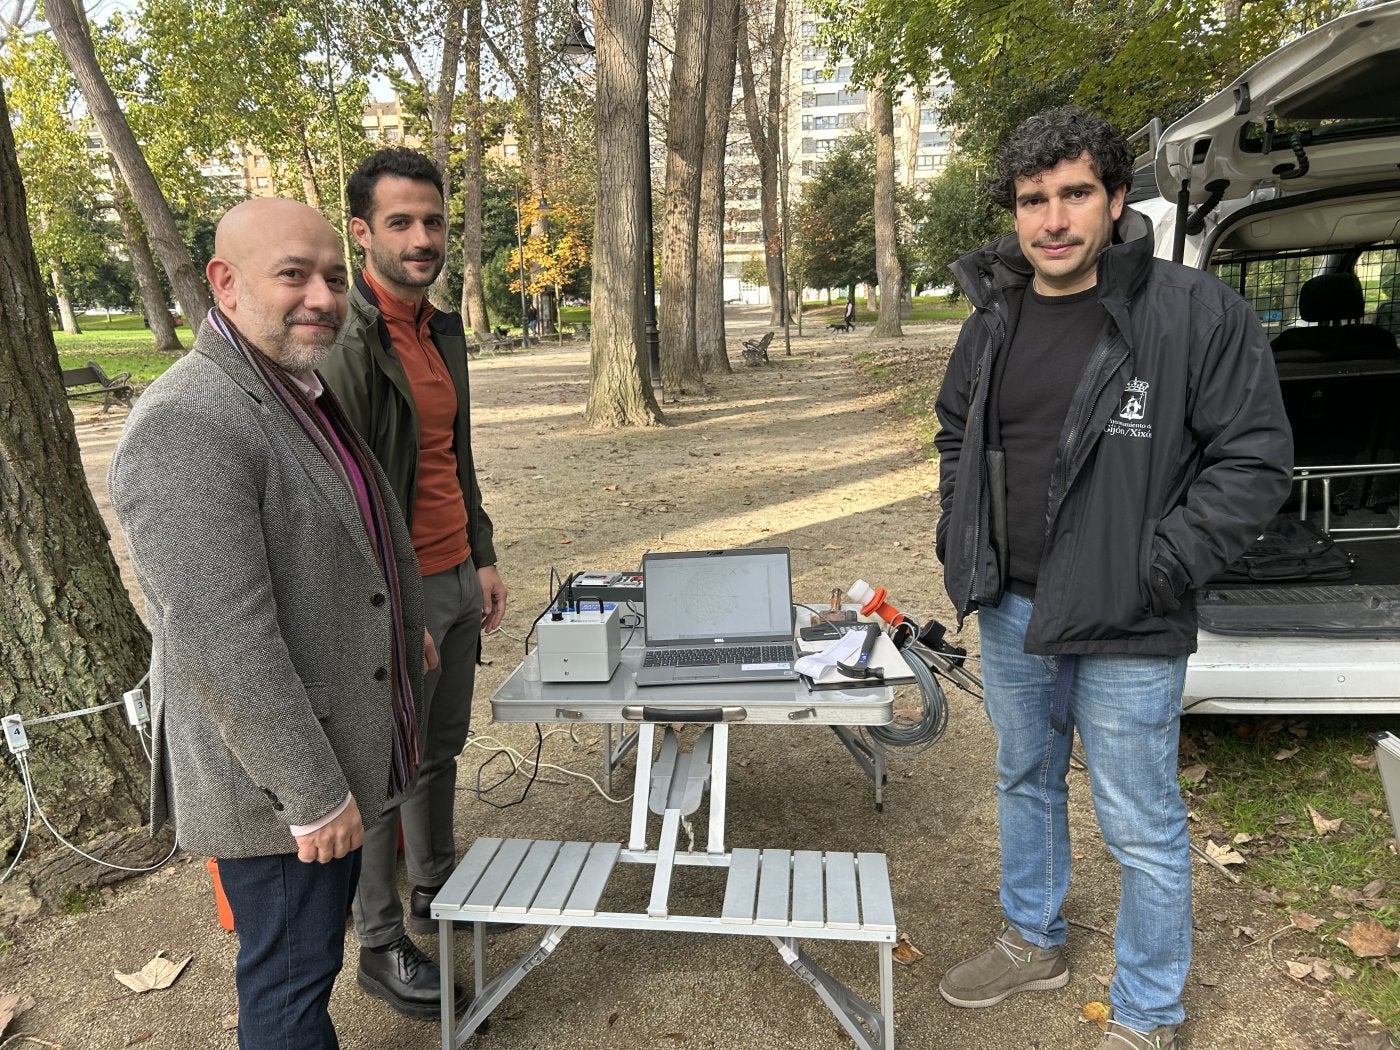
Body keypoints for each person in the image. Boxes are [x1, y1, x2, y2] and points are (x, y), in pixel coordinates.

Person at [932, 107, 1293, 1049]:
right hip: (1012, 606)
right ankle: (1033, 939)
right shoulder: (994, 316)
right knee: (1025, 776)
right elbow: (954, 435)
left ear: (1117, 199)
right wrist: (957, 537)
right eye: (1032, 200)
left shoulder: (1190, 313)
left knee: (1140, 821)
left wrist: (1158, 565)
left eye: (1074, 194)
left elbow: (1251, 461)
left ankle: (1146, 1012)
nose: (1052, 219)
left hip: (1132, 614)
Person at [108, 198, 429, 1049]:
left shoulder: (294, 385)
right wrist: (314, 797)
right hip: (282, 787)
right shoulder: (189, 420)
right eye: (293, 274)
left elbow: (351, 530)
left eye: (331, 275)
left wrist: (406, 629)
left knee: (308, 967)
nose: (321, 295)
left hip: (328, 747)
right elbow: (219, 637)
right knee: (289, 988)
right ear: (226, 281)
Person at [321, 147, 507, 1019]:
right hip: (398, 592)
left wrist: (482, 551)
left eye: (433, 220)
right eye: (401, 222)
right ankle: (381, 941)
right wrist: (395, 613)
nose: (422, 237)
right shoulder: (347, 345)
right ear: (362, 232)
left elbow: (452, 456)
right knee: (384, 770)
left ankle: (439, 887)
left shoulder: (440, 327)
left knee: (440, 749)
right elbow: (345, 498)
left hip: (456, 573)